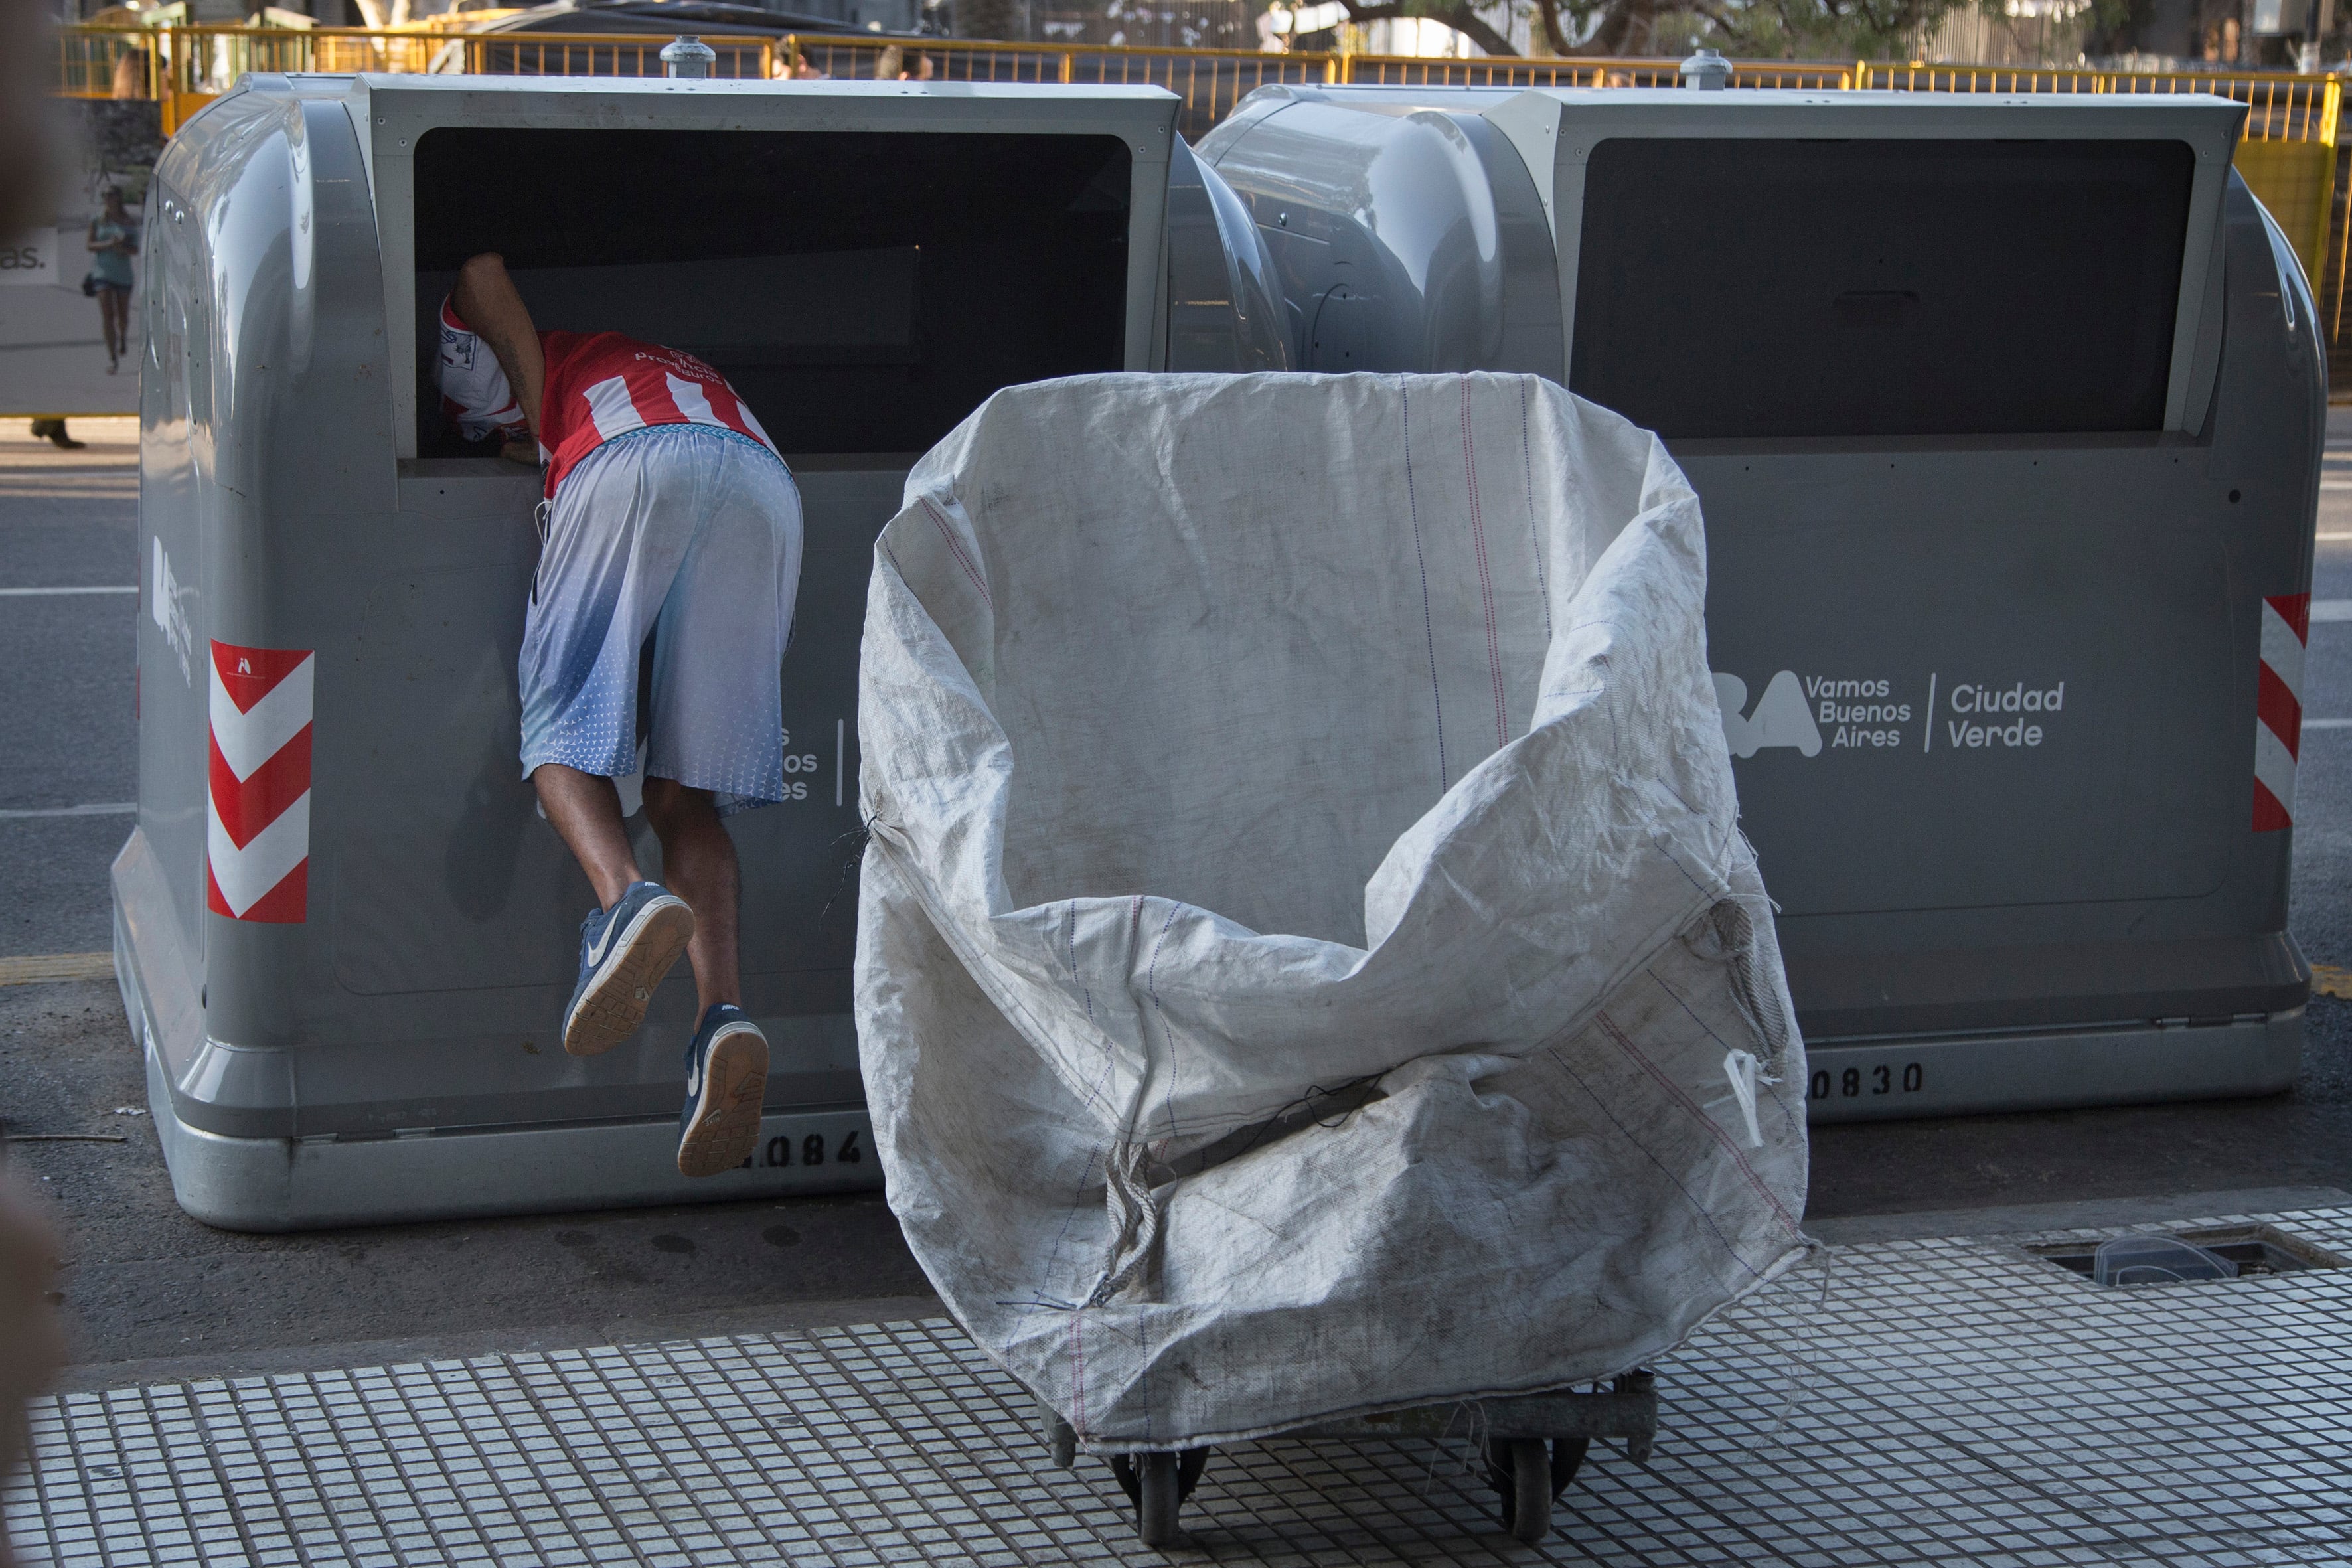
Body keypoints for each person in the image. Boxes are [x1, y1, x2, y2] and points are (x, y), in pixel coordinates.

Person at [437, 251, 803, 1178]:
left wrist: (531, 433)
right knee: (689, 796)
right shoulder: (663, 366)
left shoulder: (556, 373)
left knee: (557, 728)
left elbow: (479, 276)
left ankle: (622, 902)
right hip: (763, 484)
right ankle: (721, 1016)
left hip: (629, 465)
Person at [86, 187, 137, 375]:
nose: (108, 199)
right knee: (108, 314)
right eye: (105, 195)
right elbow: (89, 245)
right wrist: (109, 244)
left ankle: (122, 336)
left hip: (123, 274)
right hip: (102, 274)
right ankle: (112, 357)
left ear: (118, 198)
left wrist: (123, 248)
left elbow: (135, 248)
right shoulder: (98, 221)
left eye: (111, 195)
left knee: (122, 315)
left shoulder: (128, 221)